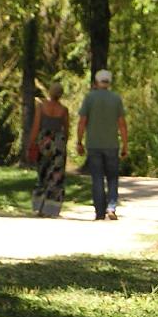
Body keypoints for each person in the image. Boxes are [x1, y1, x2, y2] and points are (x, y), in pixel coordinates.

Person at [76, 69, 128, 220]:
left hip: (94, 144)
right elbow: (122, 124)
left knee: (97, 178)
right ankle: (111, 207)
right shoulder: (116, 99)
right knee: (112, 178)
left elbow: (82, 121)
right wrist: (125, 144)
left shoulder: (89, 98)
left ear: (97, 82)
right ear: (109, 82)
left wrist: (79, 141)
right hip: (112, 144)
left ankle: (99, 212)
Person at [27, 81, 70, 217]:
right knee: (55, 176)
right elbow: (66, 130)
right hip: (58, 143)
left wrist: (31, 143)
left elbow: (36, 126)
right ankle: (51, 209)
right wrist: (64, 143)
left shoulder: (41, 106)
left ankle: (39, 206)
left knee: (42, 173)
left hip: (44, 142)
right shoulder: (64, 110)